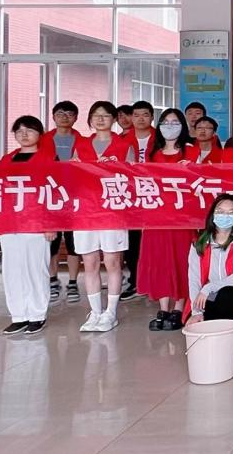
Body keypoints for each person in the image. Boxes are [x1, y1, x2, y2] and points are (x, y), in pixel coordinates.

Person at [71, 101, 134, 333]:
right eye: (96, 115)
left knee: (112, 261)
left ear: (114, 119)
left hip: (112, 210)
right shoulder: (81, 144)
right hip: (85, 211)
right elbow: (72, 175)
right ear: (89, 119)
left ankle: (111, 312)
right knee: (89, 263)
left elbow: (133, 177)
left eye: (106, 115)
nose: (100, 119)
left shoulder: (124, 145)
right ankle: (95, 311)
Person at [139, 109, 200, 331]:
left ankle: (179, 307)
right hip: (157, 216)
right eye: (166, 122)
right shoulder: (152, 153)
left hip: (182, 216)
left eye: (175, 122)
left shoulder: (191, 151)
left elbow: (200, 182)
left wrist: (189, 170)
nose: (170, 126)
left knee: (181, 259)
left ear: (182, 126)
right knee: (160, 260)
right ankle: (163, 308)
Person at [0, 115, 57, 335]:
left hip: (36, 224)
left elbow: (55, 193)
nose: (24, 134)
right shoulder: (6, 160)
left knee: (35, 270)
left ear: (39, 134)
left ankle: (37, 315)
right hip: (10, 224)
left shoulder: (49, 159)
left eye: (29, 130)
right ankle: (19, 316)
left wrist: (51, 224)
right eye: (19, 131)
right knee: (12, 271)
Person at [187, 195, 233, 324]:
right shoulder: (199, 243)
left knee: (227, 295)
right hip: (207, 296)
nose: (225, 216)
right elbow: (194, 278)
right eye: (220, 211)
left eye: (231, 212)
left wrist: (208, 288)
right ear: (213, 214)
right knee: (197, 319)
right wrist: (196, 311)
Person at [40, 100, 82, 305]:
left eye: (69, 114)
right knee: (52, 243)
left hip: (75, 197)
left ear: (76, 118)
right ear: (53, 116)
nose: (64, 117)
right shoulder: (43, 140)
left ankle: (73, 282)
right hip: (50, 196)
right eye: (60, 113)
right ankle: (52, 280)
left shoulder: (82, 140)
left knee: (74, 243)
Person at [120, 100, 156, 302]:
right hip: (130, 196)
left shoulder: (160, 138)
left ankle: (153, 280)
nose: (140, 119)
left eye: (145, 114)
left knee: (154, 240)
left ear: (152, 117)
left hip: (155, 195)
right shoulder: (122, 140)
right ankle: (135, 280)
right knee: (132, 241)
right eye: (136, 115)